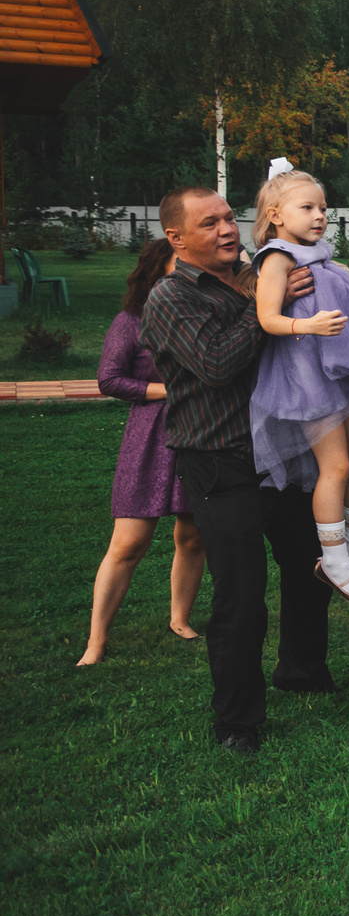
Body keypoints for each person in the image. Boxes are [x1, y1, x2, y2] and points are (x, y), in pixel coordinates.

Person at [141, 186, 333, 753]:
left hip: (282, 452)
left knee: (308, 566)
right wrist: (264, 311)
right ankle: (237, 721)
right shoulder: (170, 298)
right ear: (176, 238)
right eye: (209, 224)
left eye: (229, 217)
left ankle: (302, 669)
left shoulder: (261, 273)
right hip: (220, 460)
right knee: (242, 593)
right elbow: (217, 365)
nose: (228, 229)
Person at [245, 164, 349, 610]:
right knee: (335, 466)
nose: (319, 215)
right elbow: (268, 317)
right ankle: (333, 559)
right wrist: (308, 323)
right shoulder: (276, 257)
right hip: (306, 376)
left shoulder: (319, 255)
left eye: (322, 207)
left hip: (344, 371)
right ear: (277, 214)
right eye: (307, 207)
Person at [79, 239, 205, 666]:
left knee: (192, 535)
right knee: (129, 542)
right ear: (157, 272)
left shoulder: (203, 316)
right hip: (149, 436)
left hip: (199, 433)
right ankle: (96, 640)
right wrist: (166, 390)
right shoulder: (131, 321)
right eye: (179, 268)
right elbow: (110, 380)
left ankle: (180, 619)